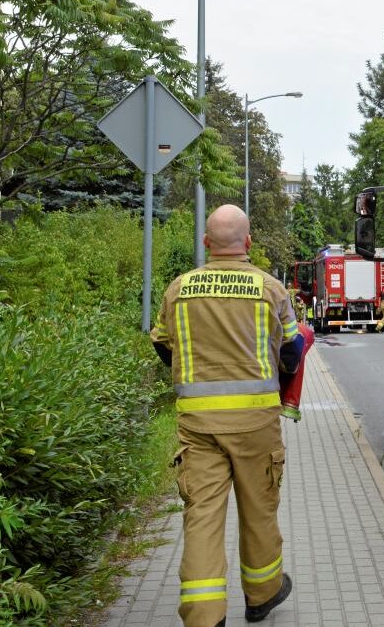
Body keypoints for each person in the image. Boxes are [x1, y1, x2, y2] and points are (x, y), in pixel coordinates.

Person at [151, 205, 302, 627]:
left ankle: (204, 617)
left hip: (198, 427)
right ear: (248, 243)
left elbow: (163, 345)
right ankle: (262, 595)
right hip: (256, 425)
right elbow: (292, 351)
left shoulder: (179, 288)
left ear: (206, 243)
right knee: (258, 511)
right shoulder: (271, 289)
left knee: (201, 518)